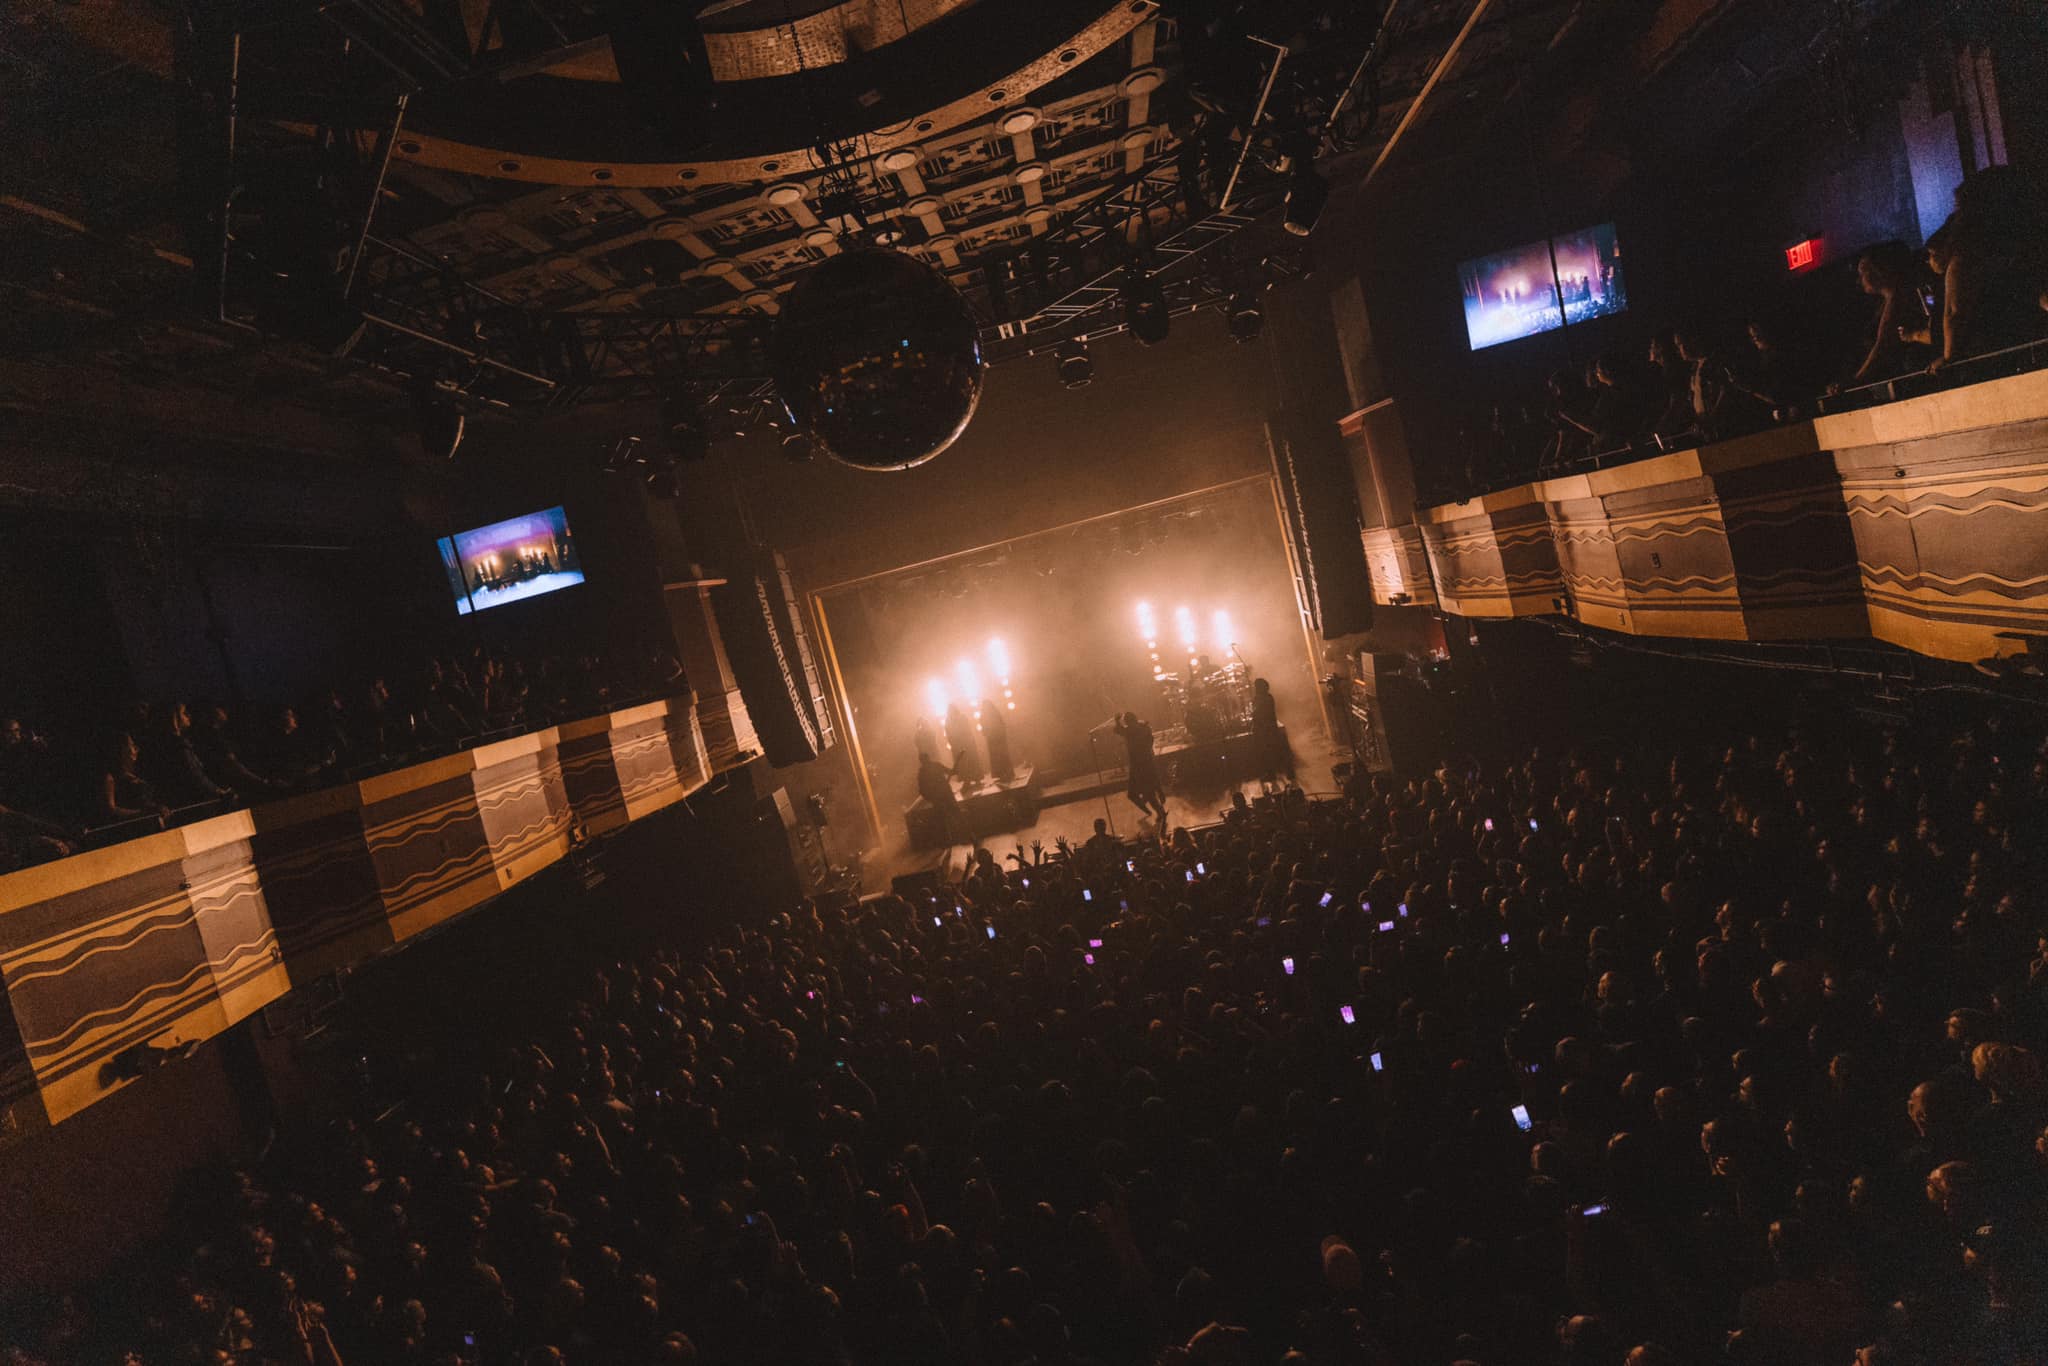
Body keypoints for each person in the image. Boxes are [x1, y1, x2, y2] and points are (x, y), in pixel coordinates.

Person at [1838, 242, 1931, 388]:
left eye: (1863, 273)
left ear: (1880, 270)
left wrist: (1856, 381)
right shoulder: (1886, 303)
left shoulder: (1899, 300)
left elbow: (1883, 345)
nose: (1859, 280)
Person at [1113, 710, 1168, 824]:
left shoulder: (1130, 731)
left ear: (1128, 722)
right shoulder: (1144, 727)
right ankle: (1156, 807)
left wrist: (1117, 720)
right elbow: (1150, 740)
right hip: (1146, 761)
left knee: (1143, 793)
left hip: (1138, 766)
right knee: (1147, 789)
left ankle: (1159, 812)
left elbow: (1117, 730)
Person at [915, 749, 963, 845]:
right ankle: (964, 834)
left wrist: (930, 798)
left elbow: (922, 790)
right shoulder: (935, 766)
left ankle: (949, 840)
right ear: (928, 758)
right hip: (945, 794)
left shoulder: (922, 773)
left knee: (943, 819)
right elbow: (952, 772)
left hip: (938, 797)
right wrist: (955, 770)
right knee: (955, 813)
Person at [1250, 677, 1289, 791]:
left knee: (1266, 752)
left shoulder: (1261, 699)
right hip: (1269, 728)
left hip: (1264, 729)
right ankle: (1280, 772)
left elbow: (1258, 714)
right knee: (1271, 751)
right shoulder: (1268, 697)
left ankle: (1271, 774)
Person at [944, 702, 982, 786]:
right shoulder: (959, 718)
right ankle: (972, 779)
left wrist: (954, 743)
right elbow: (950, 734)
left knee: (966, 763)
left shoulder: (952, 720)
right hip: (963, 744)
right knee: (967, 763)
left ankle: (970, 780)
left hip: (962, 745)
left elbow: (950, 734)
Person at [978, 698, 1014, 782]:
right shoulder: (994, 712)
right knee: (1002, 756)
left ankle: (1002, 774)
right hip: (997, 739)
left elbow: (983, 727)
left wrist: (986, 733)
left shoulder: (984, 715)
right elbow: (1001, 724)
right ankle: (1007, 773)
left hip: (993, 740)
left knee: (997, 758)